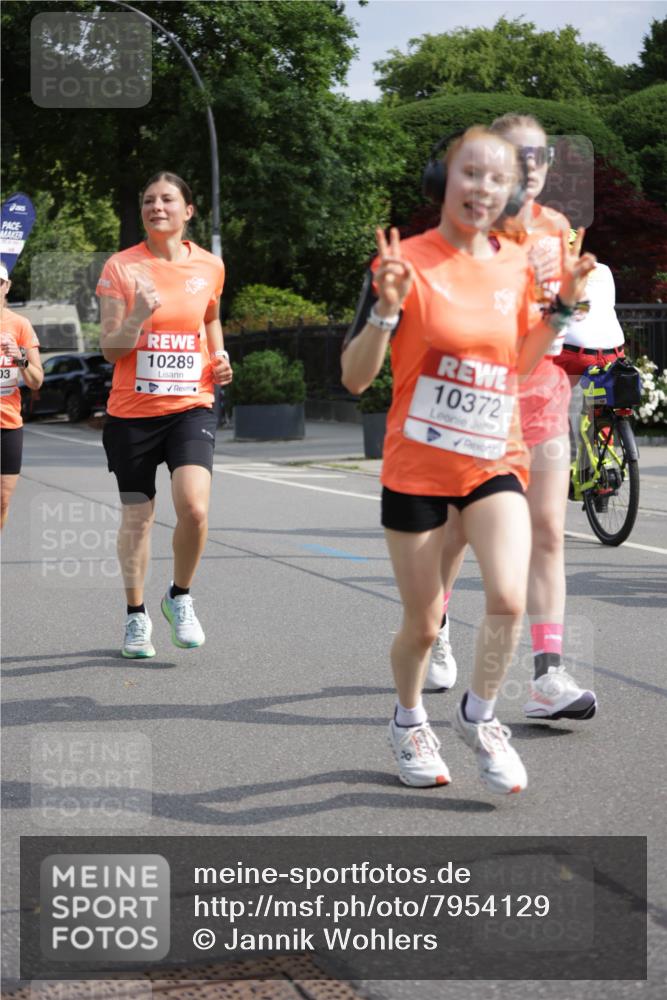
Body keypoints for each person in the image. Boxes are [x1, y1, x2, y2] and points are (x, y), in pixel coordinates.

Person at [341, 127, 596, 793]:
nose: (481, 188)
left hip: (491, 456)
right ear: (443, 179)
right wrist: (386, 314)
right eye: (468, 173)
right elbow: (354, 380)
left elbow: (517, 361)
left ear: (508, 192)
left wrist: (562, 306)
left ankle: (478, 718)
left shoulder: (514, 265)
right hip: (415, 467)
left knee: (507, 599)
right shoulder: (404, 261)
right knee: (423, 624)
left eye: (495, 178)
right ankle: (406, 721)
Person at [427, 114, 598, 724]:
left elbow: (565, 312)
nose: (531, 165)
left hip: (544, 391)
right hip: (478, 396)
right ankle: (437, 627)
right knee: (458, 533)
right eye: (517, 155)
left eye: (541, 156)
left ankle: (547, 677)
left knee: (548, 529)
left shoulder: (560, 229)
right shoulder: (467, 226)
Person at [97, 172, 232, 658]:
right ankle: (136, 616)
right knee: (138, 517)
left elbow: (211, 315)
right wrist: (136, 316)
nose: (158, 206)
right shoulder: (121, 267)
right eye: (149, 200)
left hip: (190, 405)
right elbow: (111, 350)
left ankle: (179, 596)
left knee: (194, 507)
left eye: (168, 199)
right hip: (131, 414)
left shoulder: (210, 266)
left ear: (188, 210)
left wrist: (221, 357)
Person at [0, 262, 44, 528]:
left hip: (8, 423)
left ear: (6, 286)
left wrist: (21, 358)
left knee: (3, 499)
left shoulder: (20, 325)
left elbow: (37, 381)